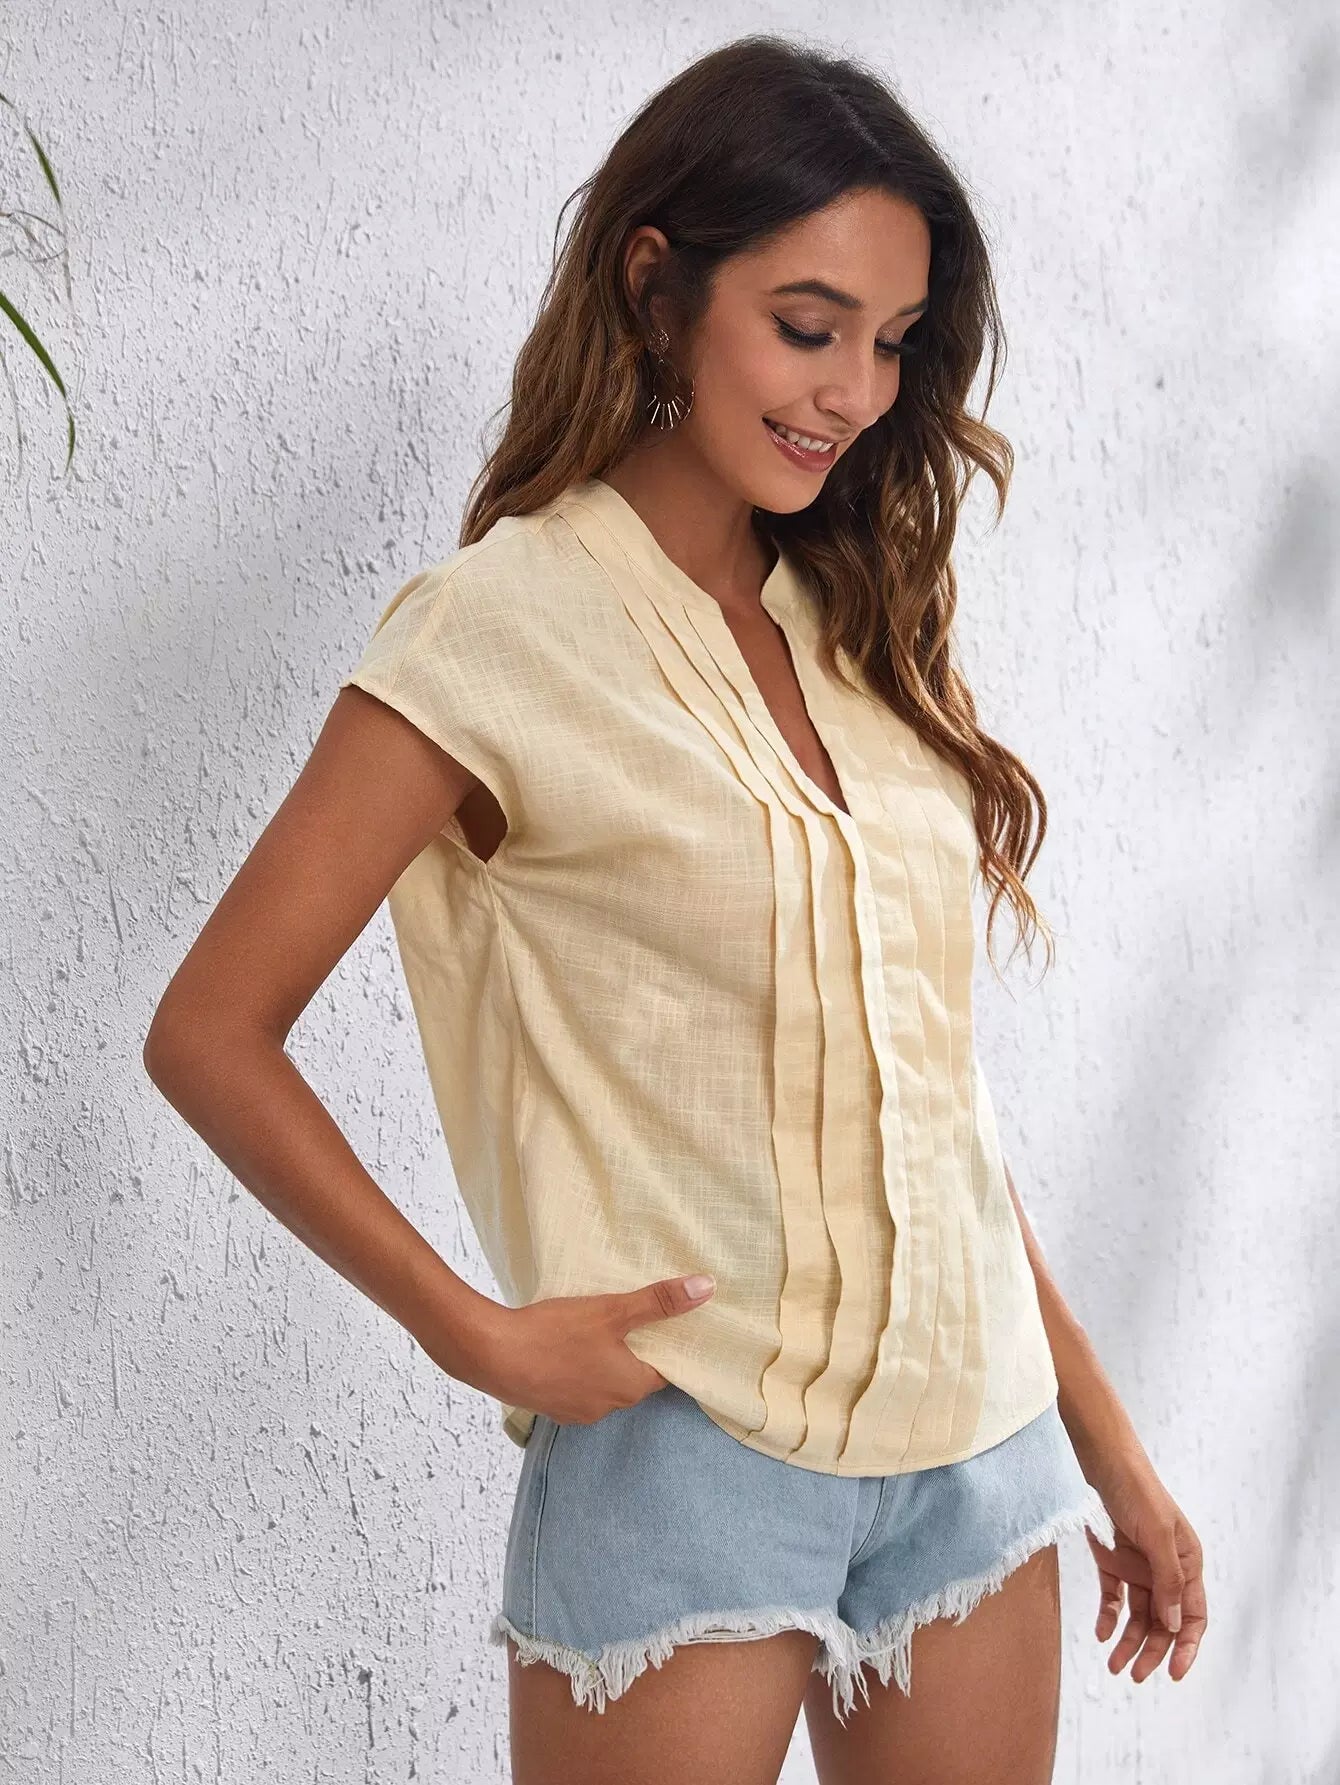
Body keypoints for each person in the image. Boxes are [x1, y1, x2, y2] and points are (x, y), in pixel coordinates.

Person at [143, 33, 1206, 1785]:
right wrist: (469, 1325)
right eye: (807, 326)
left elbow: (927, 1104)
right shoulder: (498, 627)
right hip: (688, 1441)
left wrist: (1110, 1446)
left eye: (892, 341)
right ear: (657, 286)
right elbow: (210, 1029)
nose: (852, 391)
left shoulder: (862, 627)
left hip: (980, 1444)